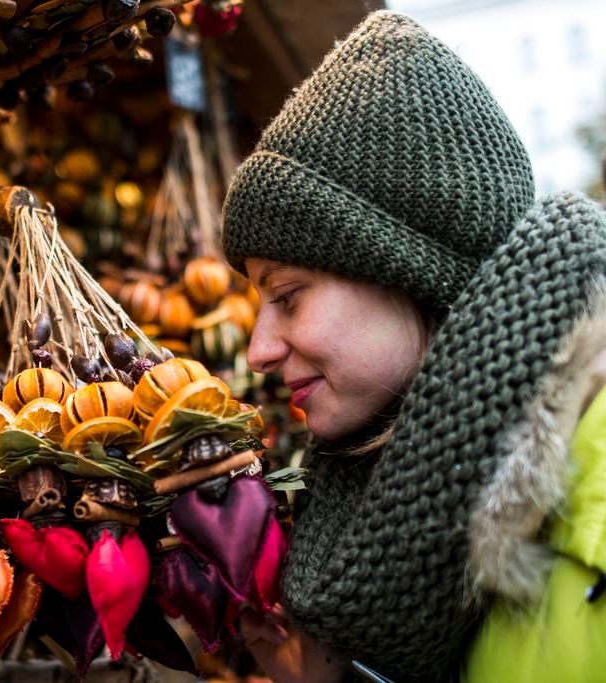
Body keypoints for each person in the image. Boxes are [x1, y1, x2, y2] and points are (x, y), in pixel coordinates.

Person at [221, 10, 606, 683]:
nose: (258, 349)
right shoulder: (415, 530)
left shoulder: (594, 469)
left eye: (287, 296)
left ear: (409, 272)